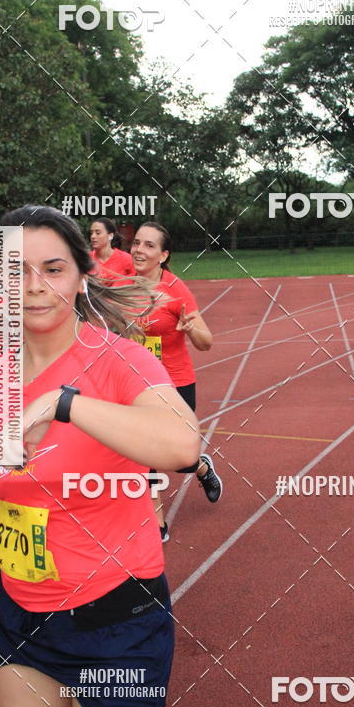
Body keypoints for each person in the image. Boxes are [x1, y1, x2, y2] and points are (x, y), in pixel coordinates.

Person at [0, 206, 245, 707]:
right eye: (16, 272)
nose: (35, 286)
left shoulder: (118, 359)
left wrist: (63, 404)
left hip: (116, 620)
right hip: (20, 612)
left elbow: (183, 444)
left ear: (80, 276)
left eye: (53, 269)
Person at [130, 222, 222, 542]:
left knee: (178, 456)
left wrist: (190, 328)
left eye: (149, 245)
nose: (139, 250)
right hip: (136, 383)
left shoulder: (176, 290)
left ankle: (200, 467)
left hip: (174, 383)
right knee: (143, 452)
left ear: (163, 255)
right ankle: (156, 520)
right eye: (136, 243)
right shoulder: (123, 287)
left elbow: (206, 342)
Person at [89, 217, 135, 282]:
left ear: (110, 236)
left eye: (98, 233)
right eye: (91, 233)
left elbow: (137, 281)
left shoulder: (126, 259)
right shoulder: (86, 259)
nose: (93, 236)